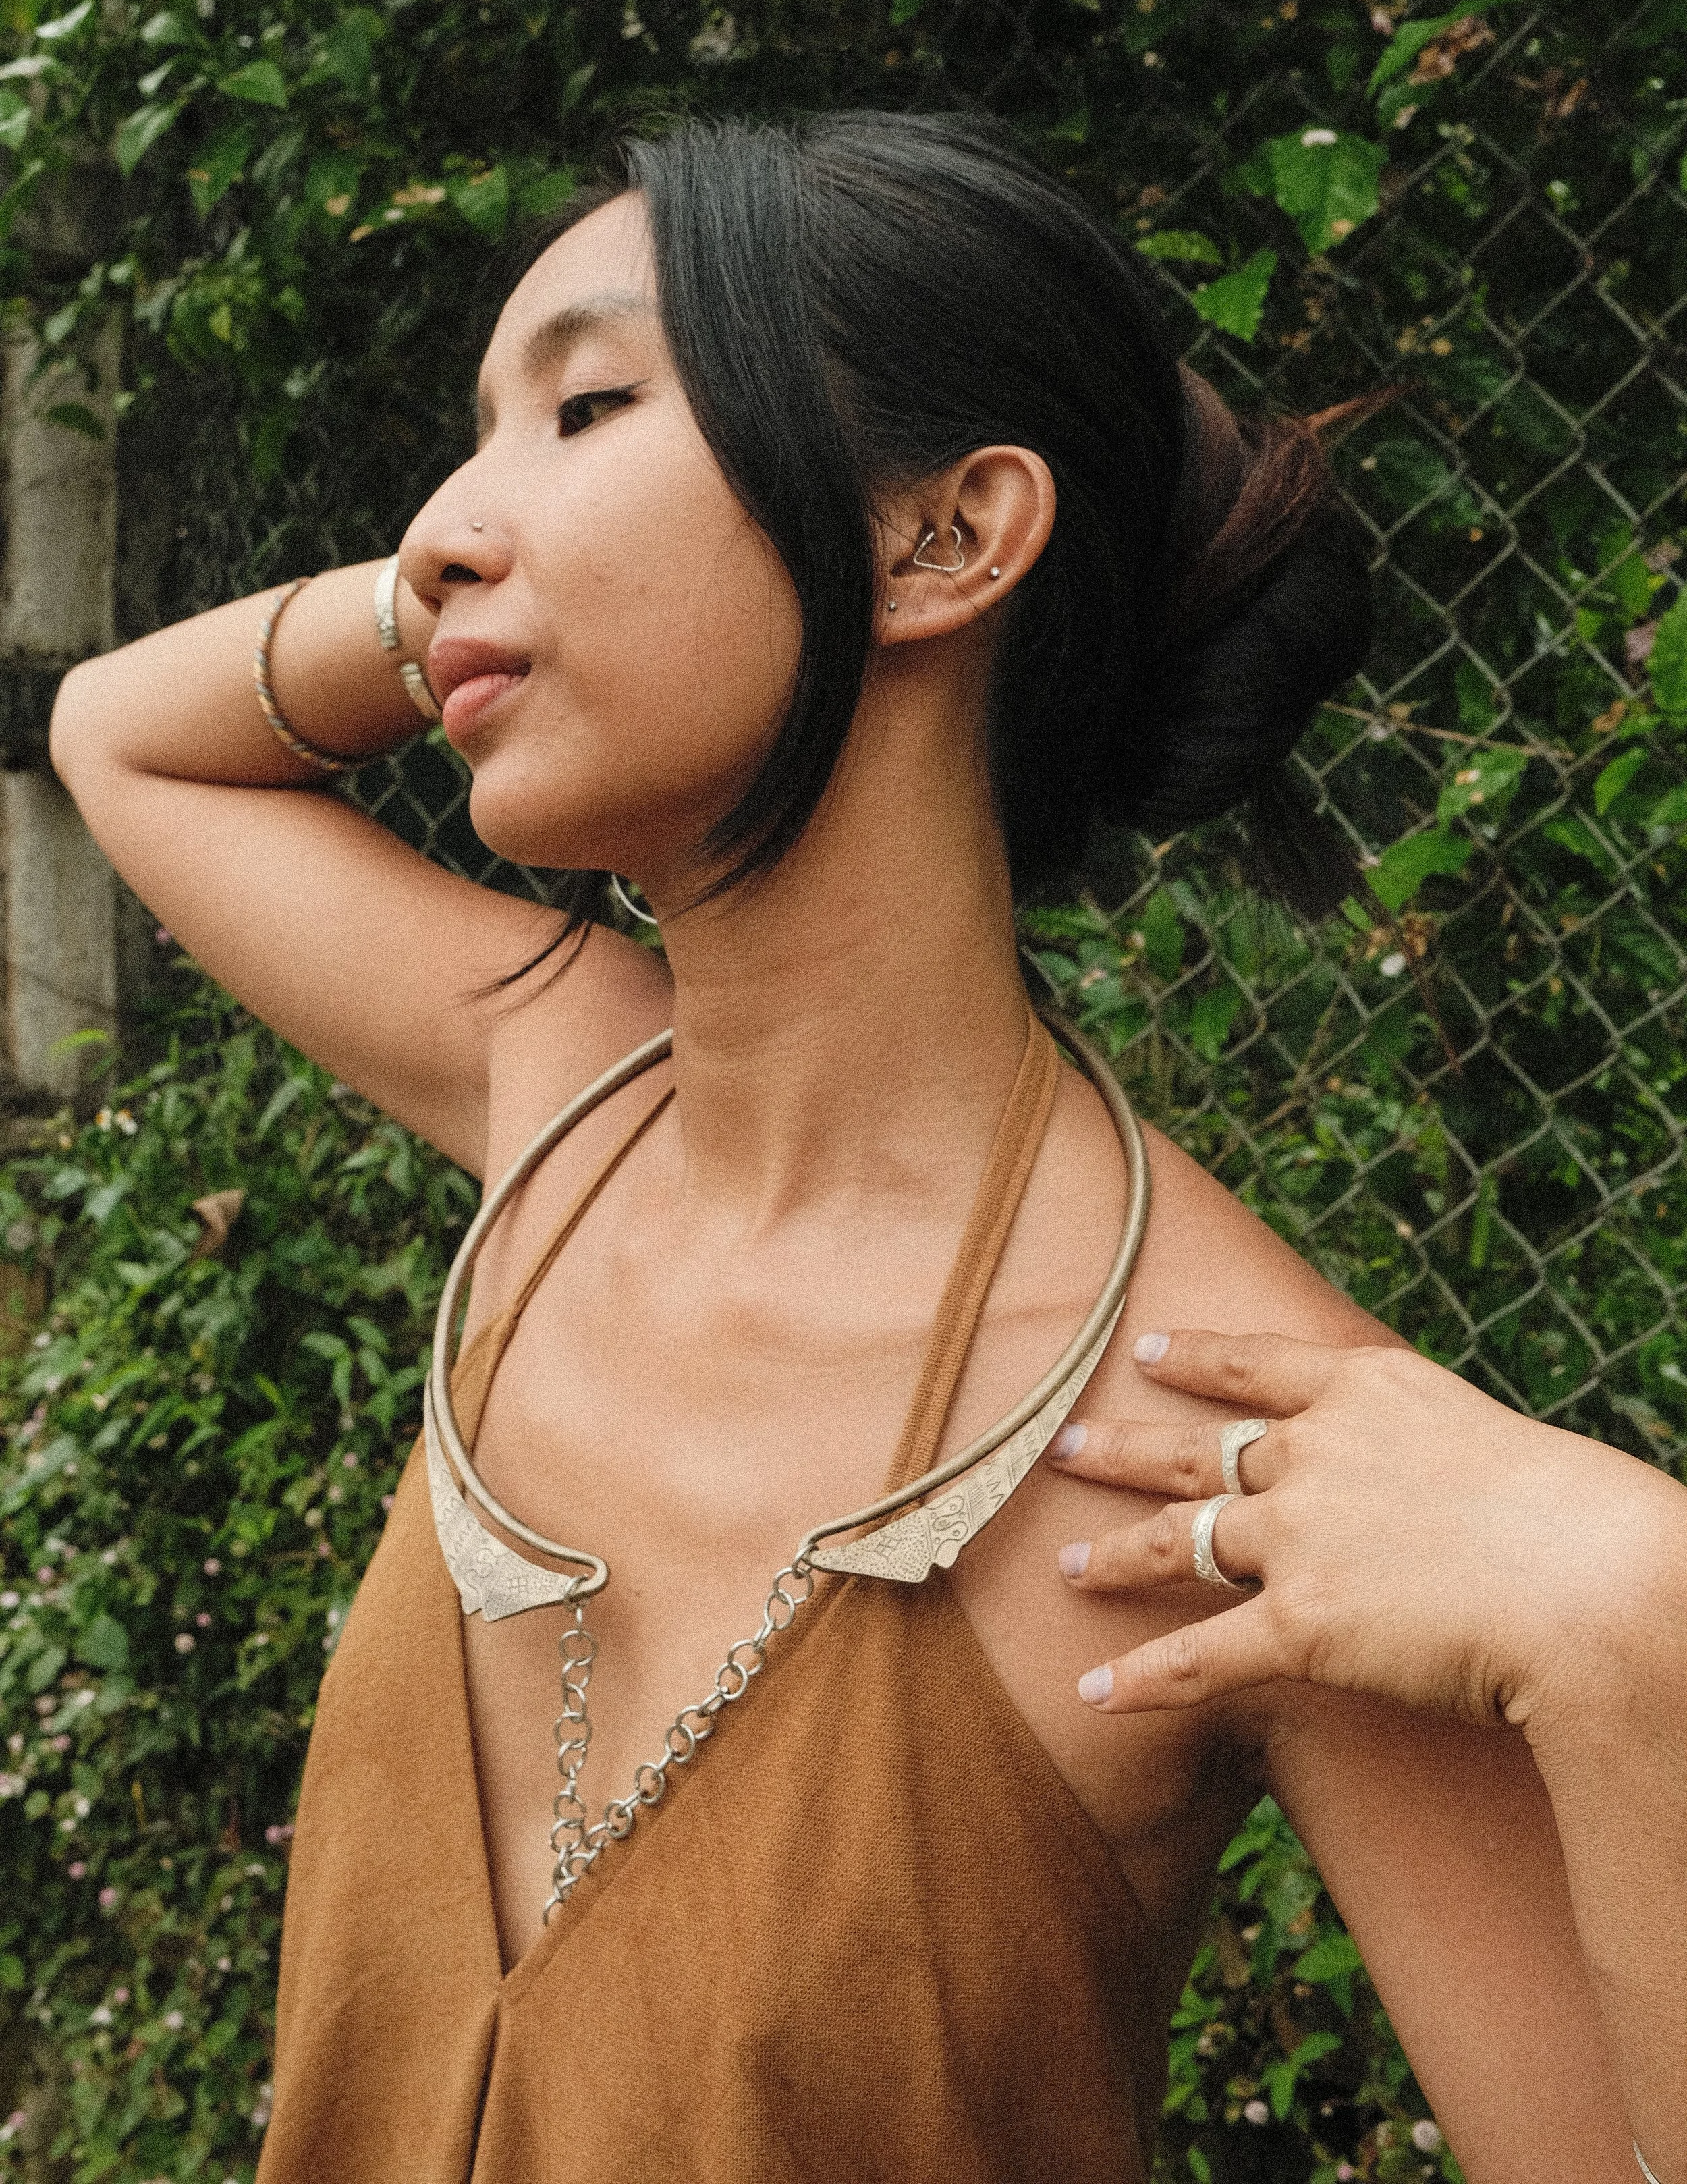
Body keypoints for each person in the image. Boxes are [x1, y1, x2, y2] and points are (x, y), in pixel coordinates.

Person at [50, 114, 1683, 2184]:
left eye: (585, 403)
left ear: (942, 539)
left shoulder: (1232, 1441)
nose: (452, 515)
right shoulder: (558, 1103)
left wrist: (1635, 1620)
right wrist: (458, 602)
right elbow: (117, 724)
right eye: (473, 439)